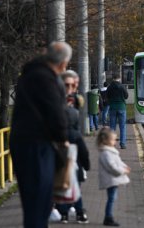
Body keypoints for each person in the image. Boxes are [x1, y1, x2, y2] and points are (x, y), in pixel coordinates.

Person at [10, 41, 71, 228]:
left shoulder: (31, 74)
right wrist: (63, 139)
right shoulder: (45, 78)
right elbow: (55, 112)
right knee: (39, 203)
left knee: (35, 203)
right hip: (36, 145)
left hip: (25, 143)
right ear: (62, 64)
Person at [56, 71, 91, 224]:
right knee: (73, 188)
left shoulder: (57, 132)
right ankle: (78, 212)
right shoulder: (75, 134)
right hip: (71, 160)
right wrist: (87, 163)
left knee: (65, 187)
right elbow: (83, 149)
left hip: (62, 160)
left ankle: (64, 213)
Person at [97, 128, 131, 226]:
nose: (115, 141)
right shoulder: (106, 153)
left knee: (112, 198)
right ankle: (108, 217)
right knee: (111, 199)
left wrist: (124, 166)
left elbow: (118, 161)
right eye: (113, 139)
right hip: (110, 179)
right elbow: (112, 166)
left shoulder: (110, 151)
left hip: (112, 179)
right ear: (105, 140)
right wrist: (123, 170)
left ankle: (109, 217)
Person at [107, 75, 129, 149]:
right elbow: (126, 96)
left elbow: (107, 96)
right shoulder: (122, 86)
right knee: (122, 127)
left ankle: (111, 143)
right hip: (121, 107)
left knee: (112, 127)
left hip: (112, 108)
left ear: (113, 79)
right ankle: (122, 144)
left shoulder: (109, 87)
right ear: (119, 79)